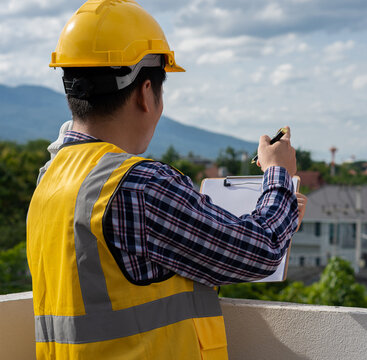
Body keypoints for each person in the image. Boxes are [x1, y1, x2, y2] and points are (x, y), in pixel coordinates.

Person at [26, 1, 306, 359]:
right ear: (146, 92)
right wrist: (277, 173)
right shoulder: (140, 185)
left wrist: (280, 214)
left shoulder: (49, 178)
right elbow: (260, 251)